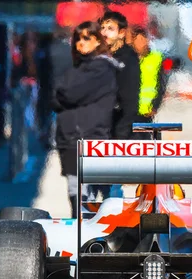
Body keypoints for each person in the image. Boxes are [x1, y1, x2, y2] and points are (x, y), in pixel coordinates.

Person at [52, 21, 121, 218]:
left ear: (98, 41)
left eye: (86, 38)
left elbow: (69, 94)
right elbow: (54, 96)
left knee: (94, 200)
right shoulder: (75, 68)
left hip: (90, 138)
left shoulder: (102, 67)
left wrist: (62, 93)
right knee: (76, 195)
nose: (80, 43)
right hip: (70, 138)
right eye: (77, 39)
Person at [97, 11, 141, 200]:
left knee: (113, 188)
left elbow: (130, 101)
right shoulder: (101, 56)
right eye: (103, 28)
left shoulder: (128, 58)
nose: (105, 33)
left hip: (117, 131)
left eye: (111, 29)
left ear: (122, 33)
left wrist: (121, 138)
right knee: (95, 184)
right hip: (99, 129)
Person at [130, 26, 167, 123]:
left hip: (147, 111)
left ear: (147, 40)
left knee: (145, 136)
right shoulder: (129, 59)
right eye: (137, 40)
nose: (140, 43)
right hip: (129, 111)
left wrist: (155, 106)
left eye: (142, 39)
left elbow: (161, 85)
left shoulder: (156, 58)